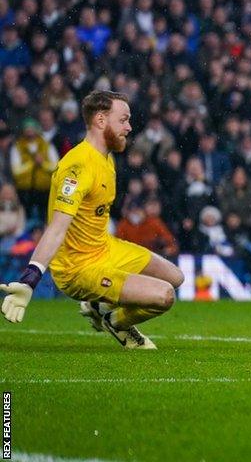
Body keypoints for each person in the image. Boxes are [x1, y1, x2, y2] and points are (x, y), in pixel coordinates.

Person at [1, 91, 185, 350]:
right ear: (100, 120)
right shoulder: (78, 168)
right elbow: (56, 229)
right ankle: (116, 320)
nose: (129, 127)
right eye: (123, 120)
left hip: (104, 248)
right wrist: (30, 278)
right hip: (78, 268)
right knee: (165, 296)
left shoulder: (106, 157)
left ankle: (100, 307)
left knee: (175, 277)